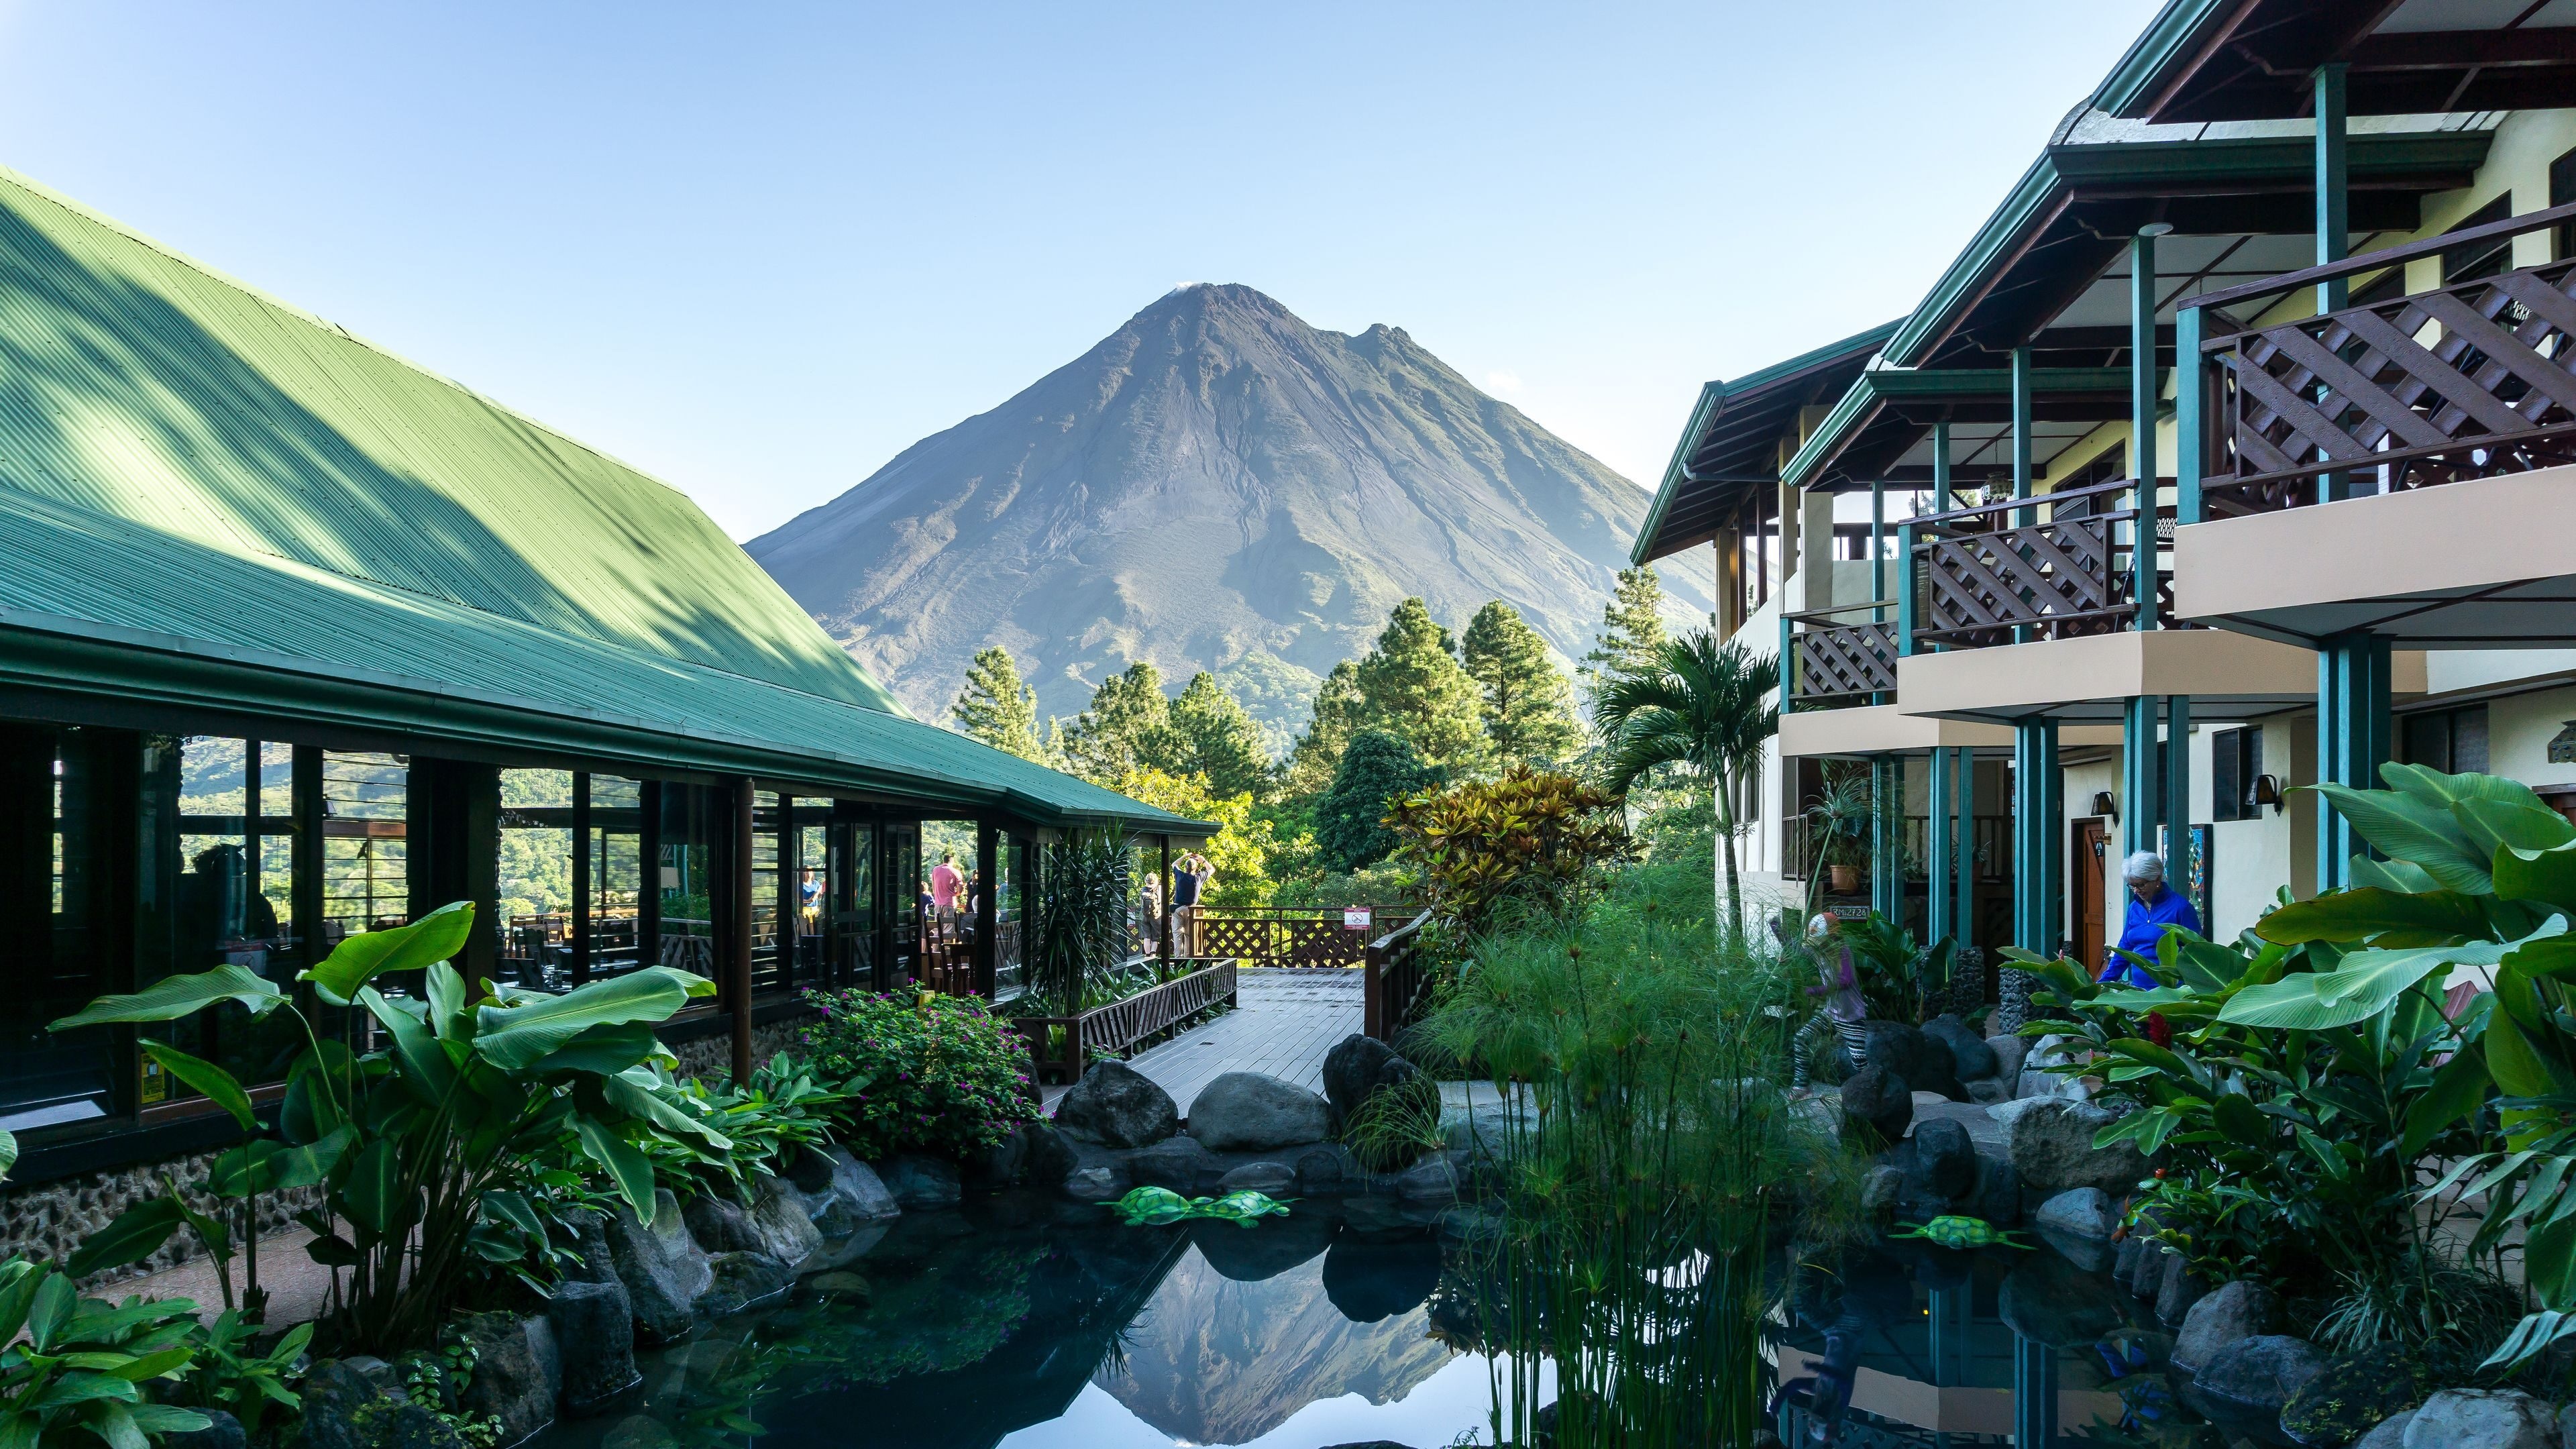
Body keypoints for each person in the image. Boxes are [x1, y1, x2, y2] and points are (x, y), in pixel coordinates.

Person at [2107, 851, 2200, 987]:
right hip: (2139, 990)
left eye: (2141, 884)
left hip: (2173, 992)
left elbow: (2197, 951)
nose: (2136, 890)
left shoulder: (2181, 908)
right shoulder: (2134, 908)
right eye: (2132, 885)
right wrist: (2104, 983)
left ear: (2157, 879)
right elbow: (2125, 947)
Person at [930, 851, 963, 915]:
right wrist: (957, 894)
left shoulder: (935, 870)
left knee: (938, 924)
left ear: (944, 861)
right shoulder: (955, 872)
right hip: (949, 903)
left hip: (938, 903)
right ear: (953, 862)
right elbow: (960, 888)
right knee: (949, 924)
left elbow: (934, 889)